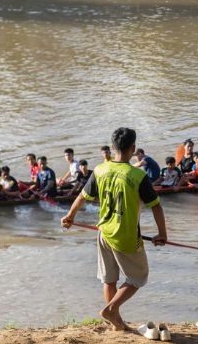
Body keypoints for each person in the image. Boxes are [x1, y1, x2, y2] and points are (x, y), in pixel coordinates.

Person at [61, 127, 167, 331]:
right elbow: (156, 206)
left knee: (109, 279)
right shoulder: (137, 175)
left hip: (103, 233)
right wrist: (162, 234)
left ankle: (115, 322)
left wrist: (70, 216)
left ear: (113, 147)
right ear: (133, 148)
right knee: (139, 276)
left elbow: (82, 196)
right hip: (125, 236)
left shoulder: (100, 169)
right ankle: (111, 310)